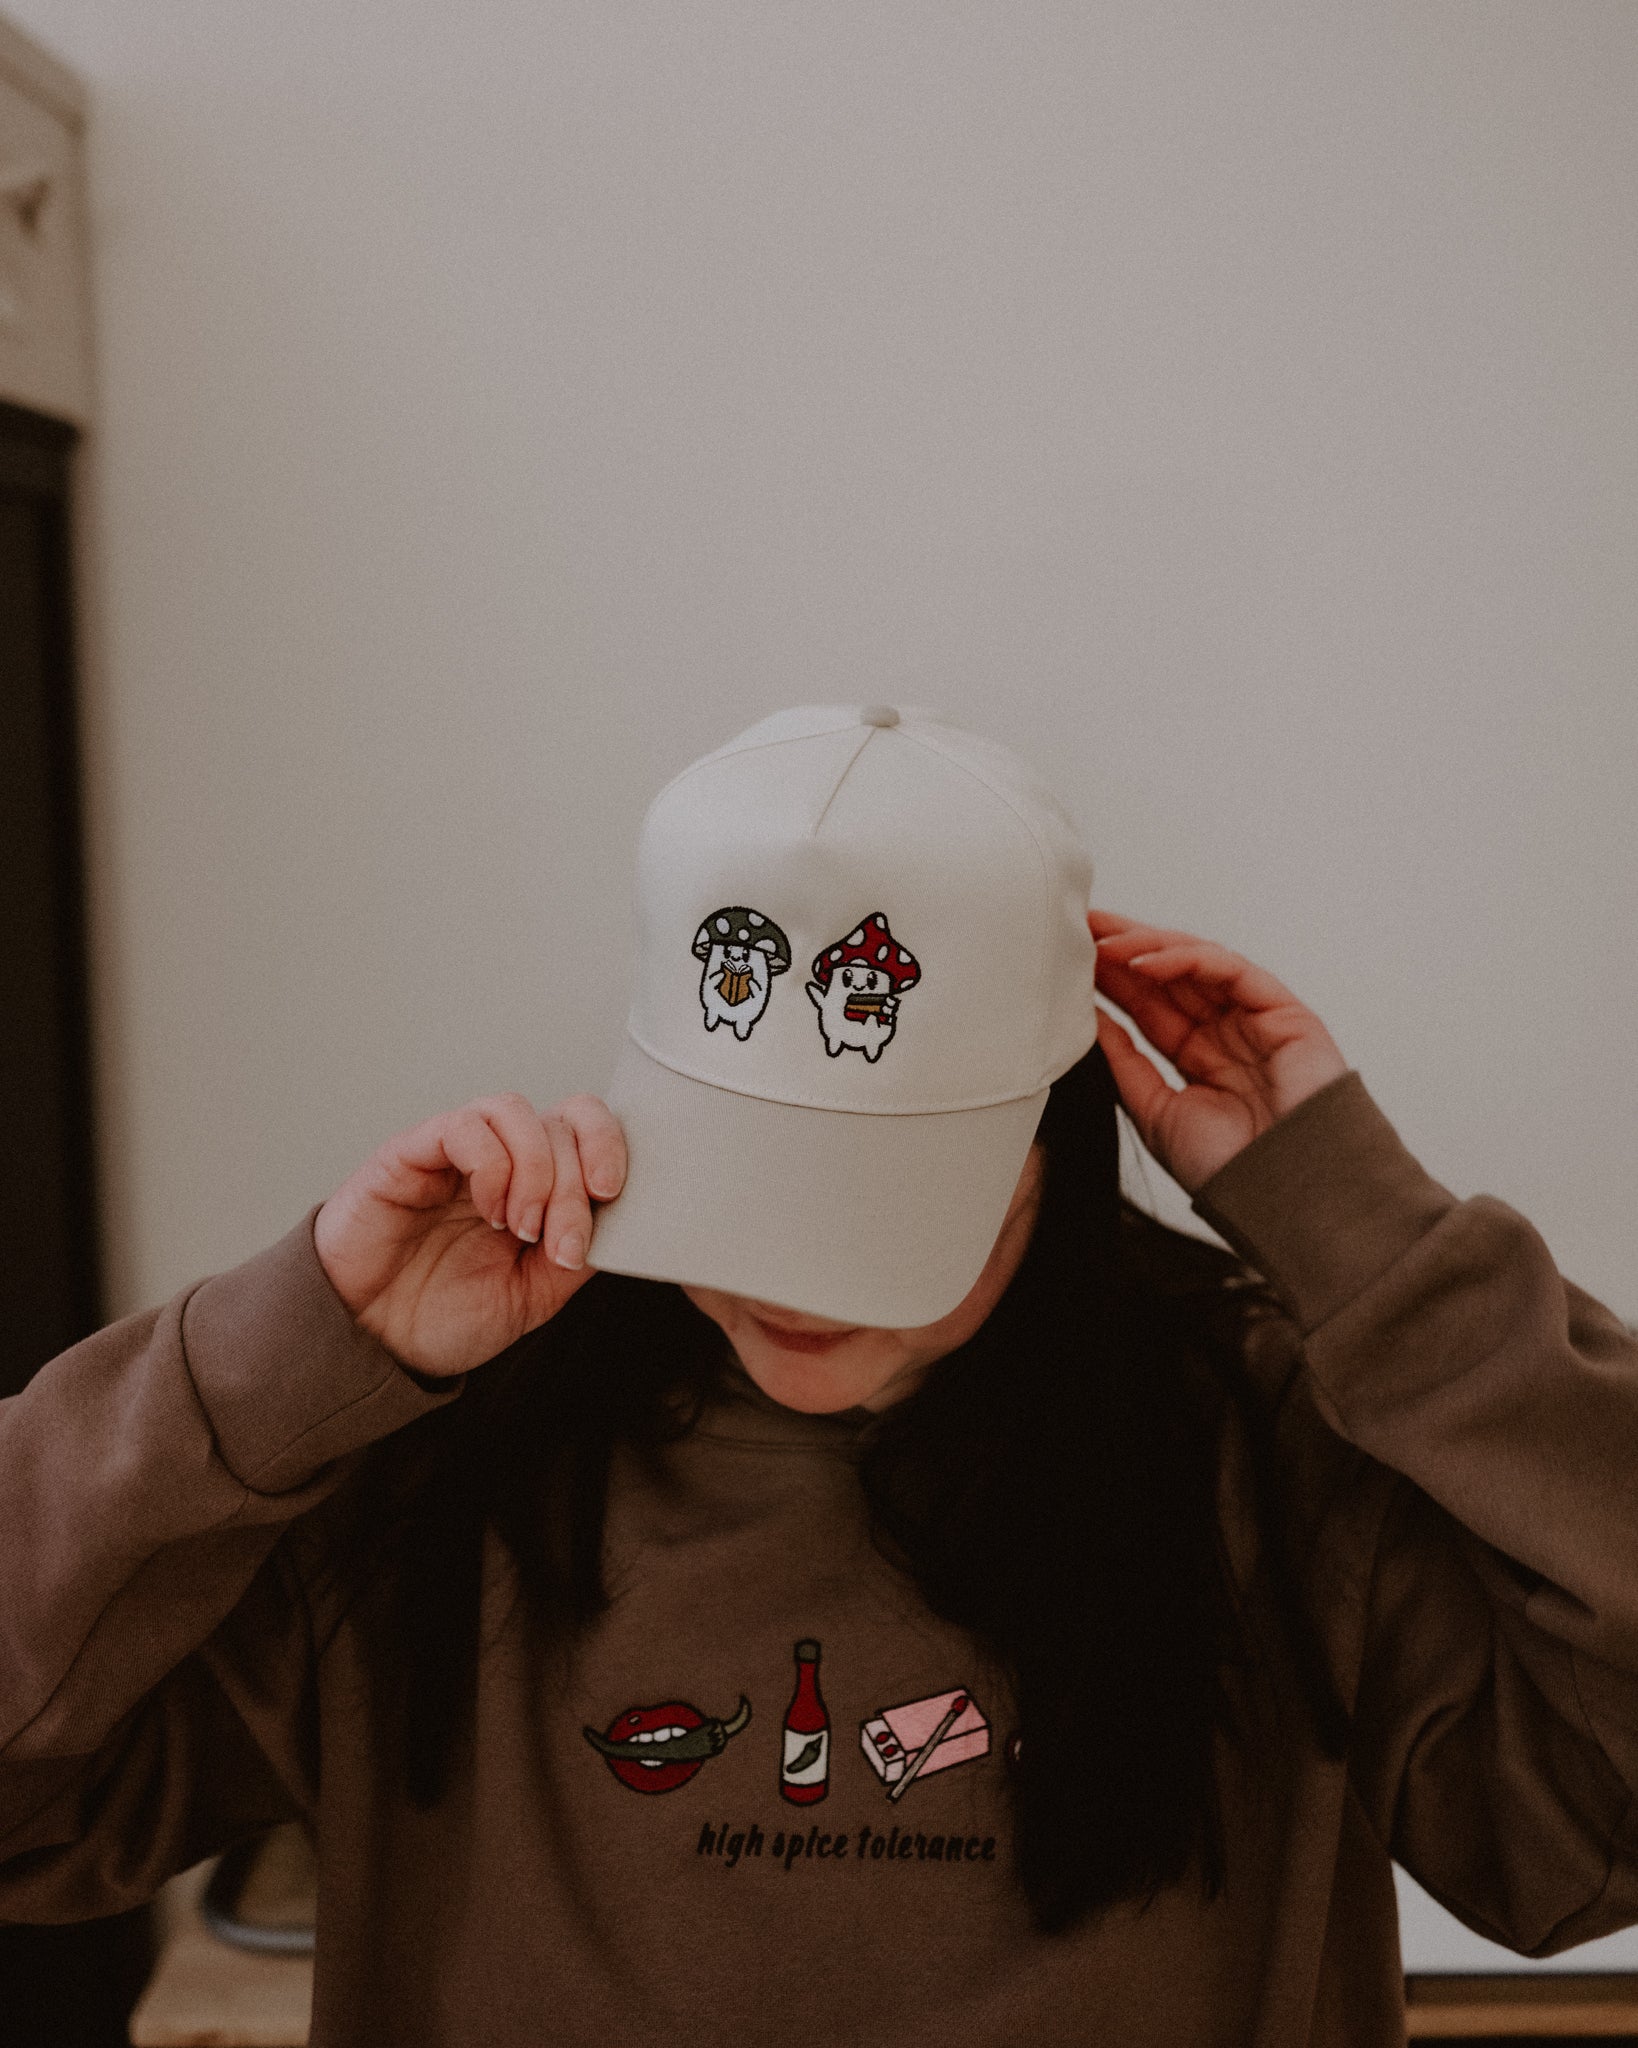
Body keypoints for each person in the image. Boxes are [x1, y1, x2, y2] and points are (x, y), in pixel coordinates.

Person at [2, 704, 1635, 2048]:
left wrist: (1371, 1243)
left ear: (1050, 1144)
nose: (788, 1283)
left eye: (869, 1200)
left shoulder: (1268, 1452)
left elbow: (1594, 1845)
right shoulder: (435, 1461)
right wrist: (287, 1350)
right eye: (744, 1181)